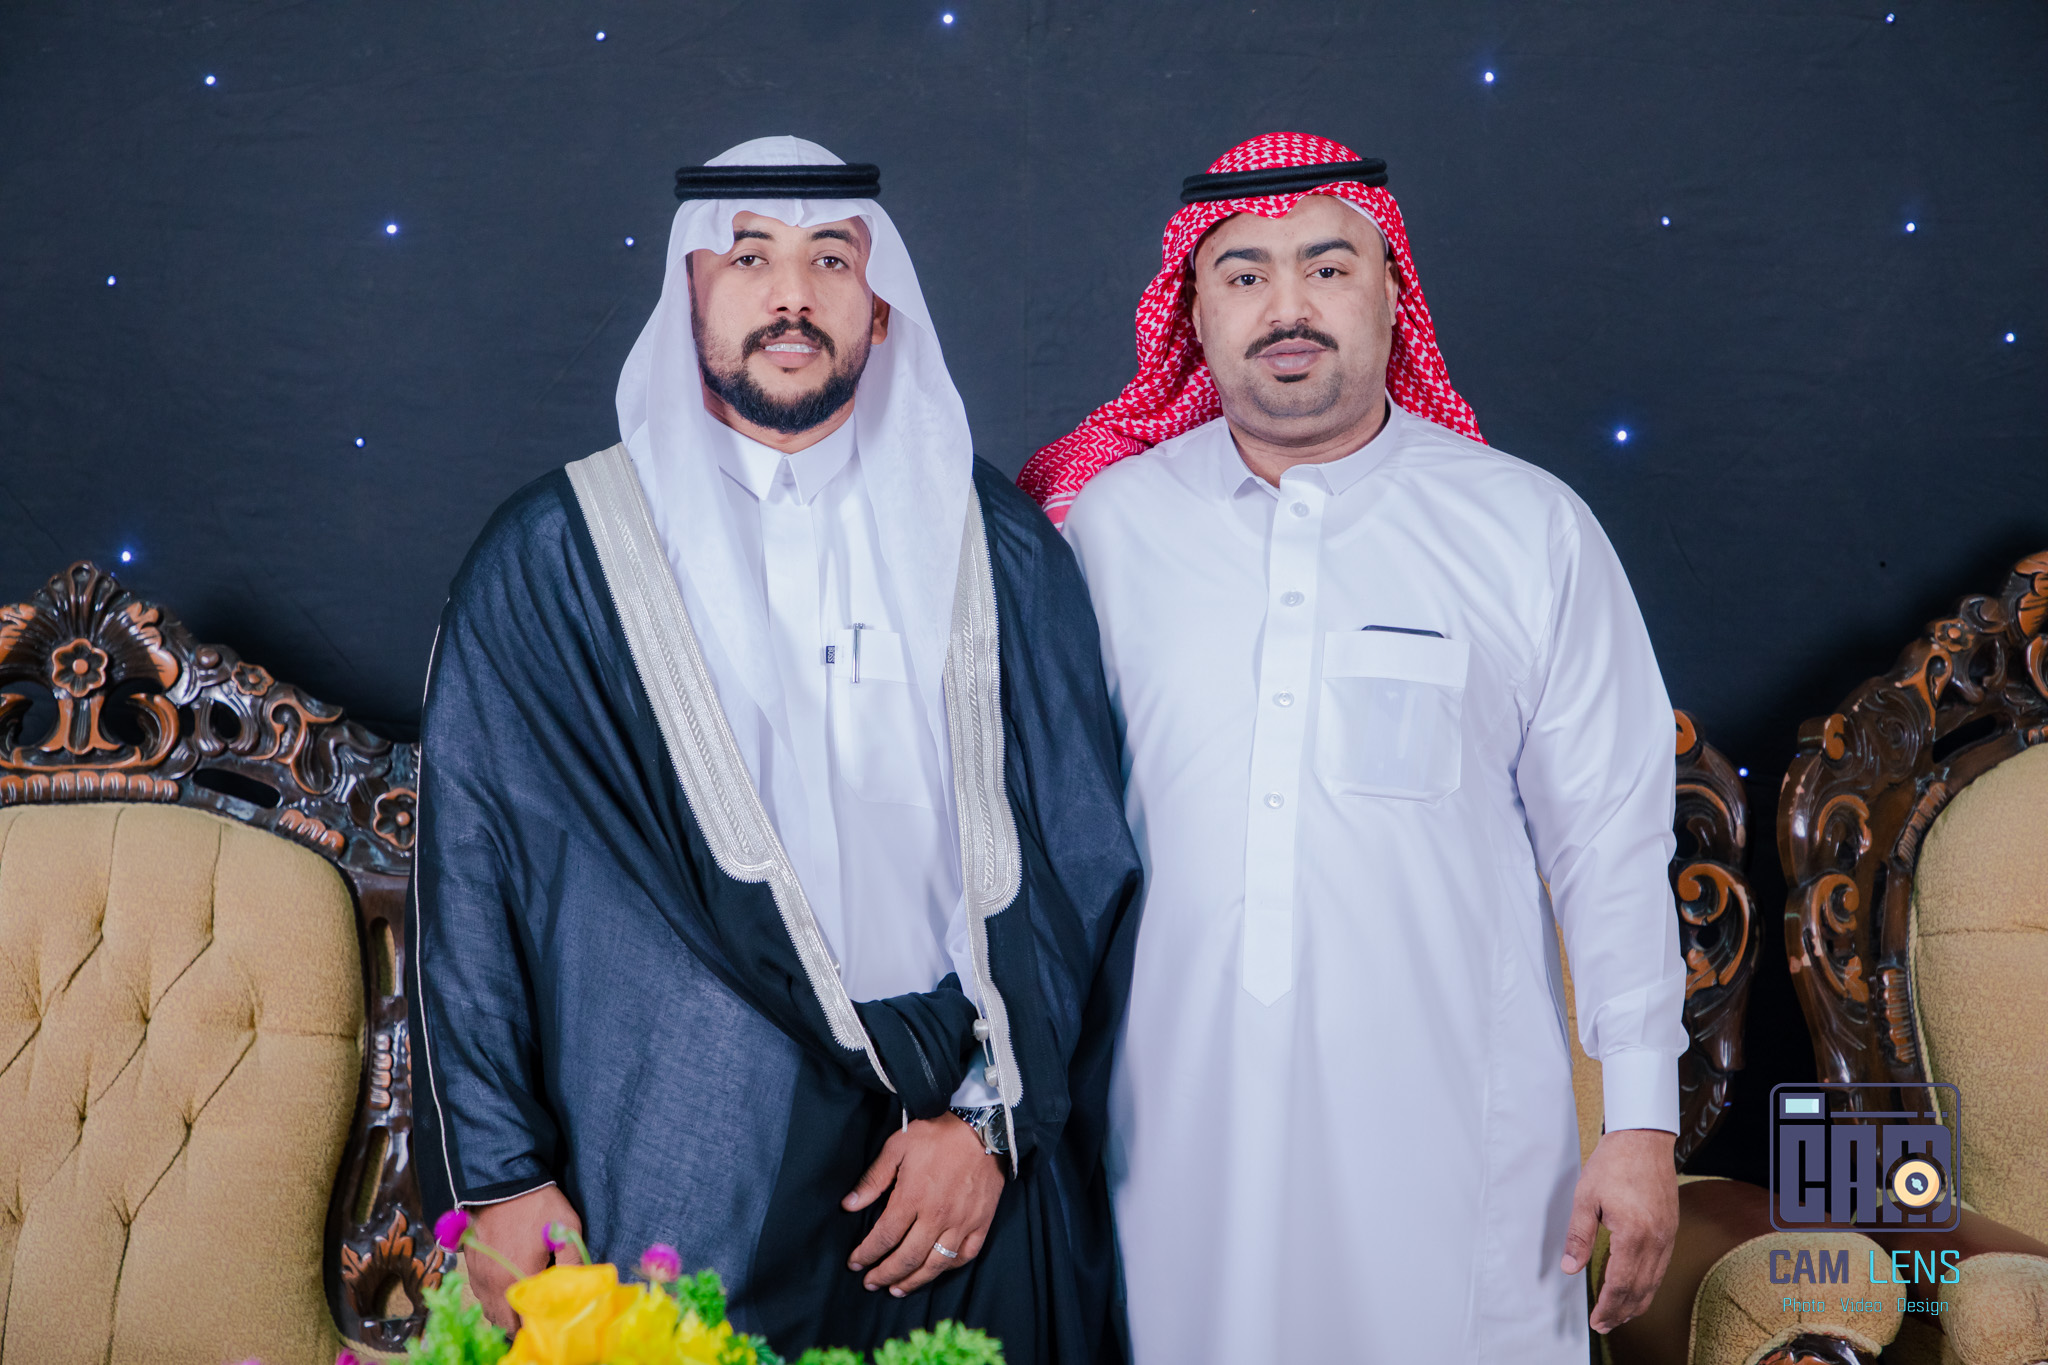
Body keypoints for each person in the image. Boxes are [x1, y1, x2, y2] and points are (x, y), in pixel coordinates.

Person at [409, 136, 1141, 1364]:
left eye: (830, 260)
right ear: (689, 293)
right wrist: (501, 1176)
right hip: (684, 1157)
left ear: (880, 304)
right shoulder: (557, 559)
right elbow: (473, 876)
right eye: (749, 257)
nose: (790, 295)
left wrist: (990, 1123)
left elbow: (1077, 851)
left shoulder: (997, 546)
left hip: (958, 1163)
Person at [1025, 131, 1686, 1362]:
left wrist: (1640, 1123)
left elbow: (1610, 843)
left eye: (1327, 268)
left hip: (1459, 1150)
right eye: (1242, 274)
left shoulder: (1525, 528)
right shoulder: (1107, 529)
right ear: (1193, 312)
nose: (1286, 306)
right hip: (1171, 1142)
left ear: (1392, 294)